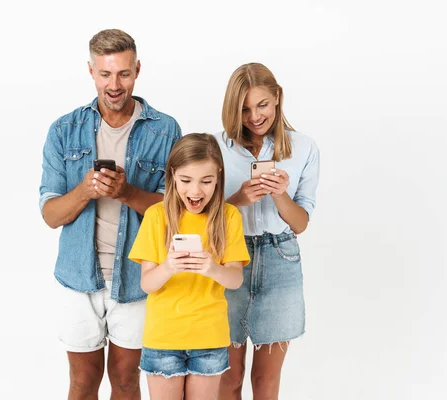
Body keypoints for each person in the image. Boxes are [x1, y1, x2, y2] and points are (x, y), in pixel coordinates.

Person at [39, 29, 181, 399]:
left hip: (137, 276)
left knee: (125, 381)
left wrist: (127, 192)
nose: (114, 84)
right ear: (91, 71)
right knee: (83, 383)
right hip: (78, 276)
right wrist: (86, 190)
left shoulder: (165, 130)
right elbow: (51, 215)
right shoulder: (64, 130)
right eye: (105, 74)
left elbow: (176, 211)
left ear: (137, 70)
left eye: (123, 74)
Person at [216, 63, 320, 399]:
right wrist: (239, 199)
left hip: (281, 260)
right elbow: (202, 217)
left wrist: (279, 194)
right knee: (228, 379)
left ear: (277, 97)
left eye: (262, 105)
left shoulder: (303, 147)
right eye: (244, 109)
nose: (254, 116)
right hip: (231, 257)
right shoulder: (216, 146)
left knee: (265, 382)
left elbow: (301, 223)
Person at [128, 133, 251, 400]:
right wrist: (169, 267)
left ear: (218, 176)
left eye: (206, 181)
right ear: (172, 175)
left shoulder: (229, 217)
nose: (196, 191)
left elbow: (235, 279)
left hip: (210, 338)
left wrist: (212, 268)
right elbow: (147, 284)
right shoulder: (156, 216)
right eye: (186, 180)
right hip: (163, 339)